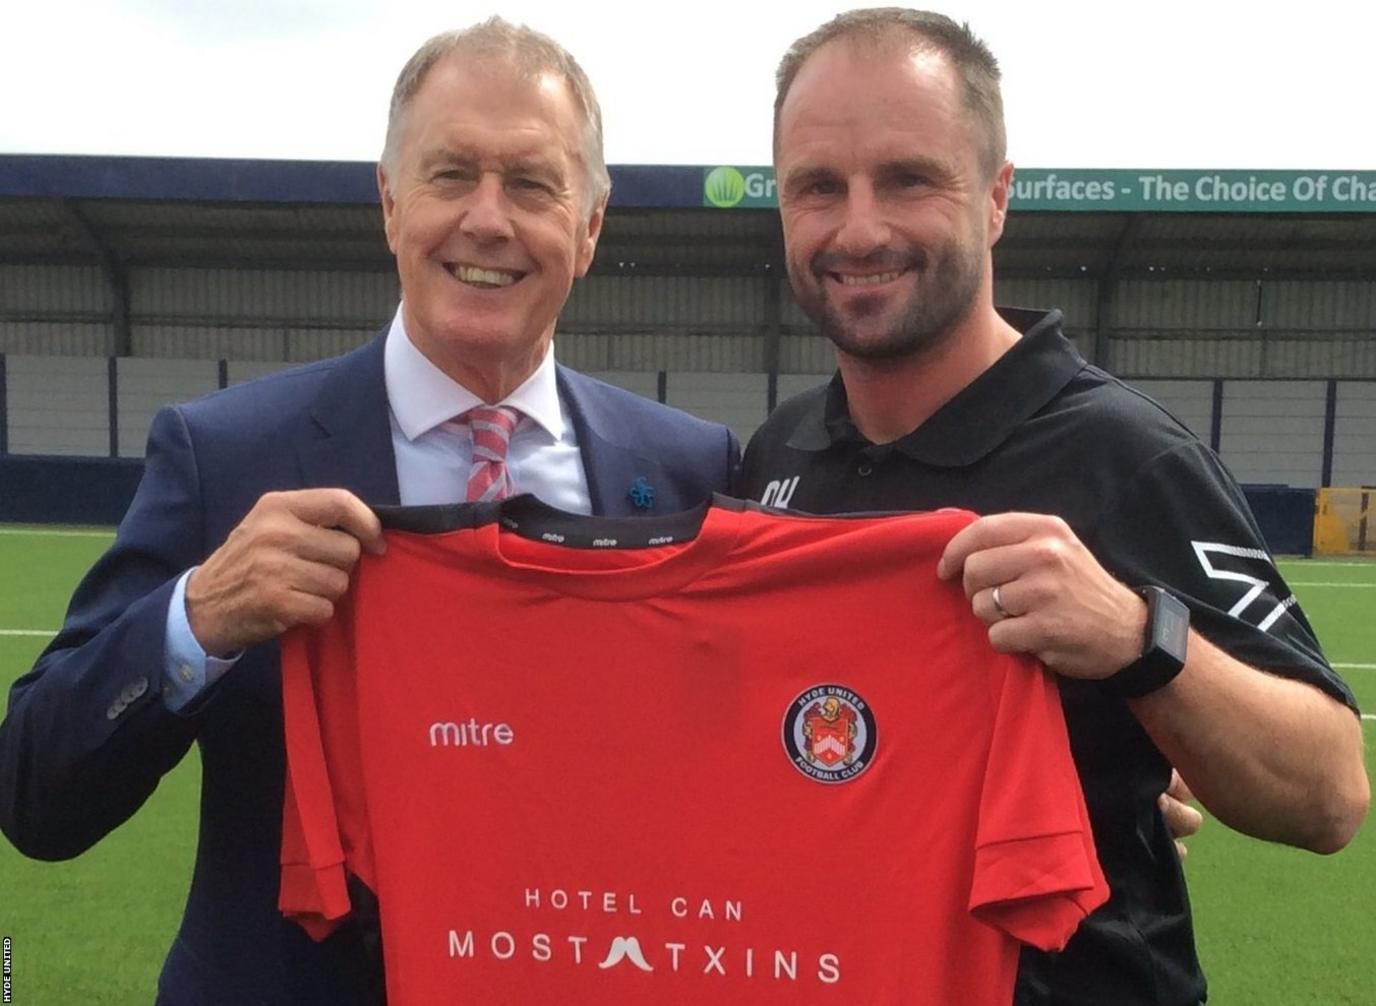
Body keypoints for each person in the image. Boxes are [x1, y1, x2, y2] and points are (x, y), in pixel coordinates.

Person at [0, 19, 737, 1005]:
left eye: (531, 183)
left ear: (590, 225)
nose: (487, 218)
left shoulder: (689, 468)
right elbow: (37, 799)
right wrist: (198, 615)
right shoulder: (226, 456)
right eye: (449, 175)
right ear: (390, 203)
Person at [738, 9, 1369, 1005]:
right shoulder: (775, 458)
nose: (858, 229)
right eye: (817, 186)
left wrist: (1136, 639)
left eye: (907, 177)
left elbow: (1328, 793)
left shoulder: (1123, 455)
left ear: (994, 198)